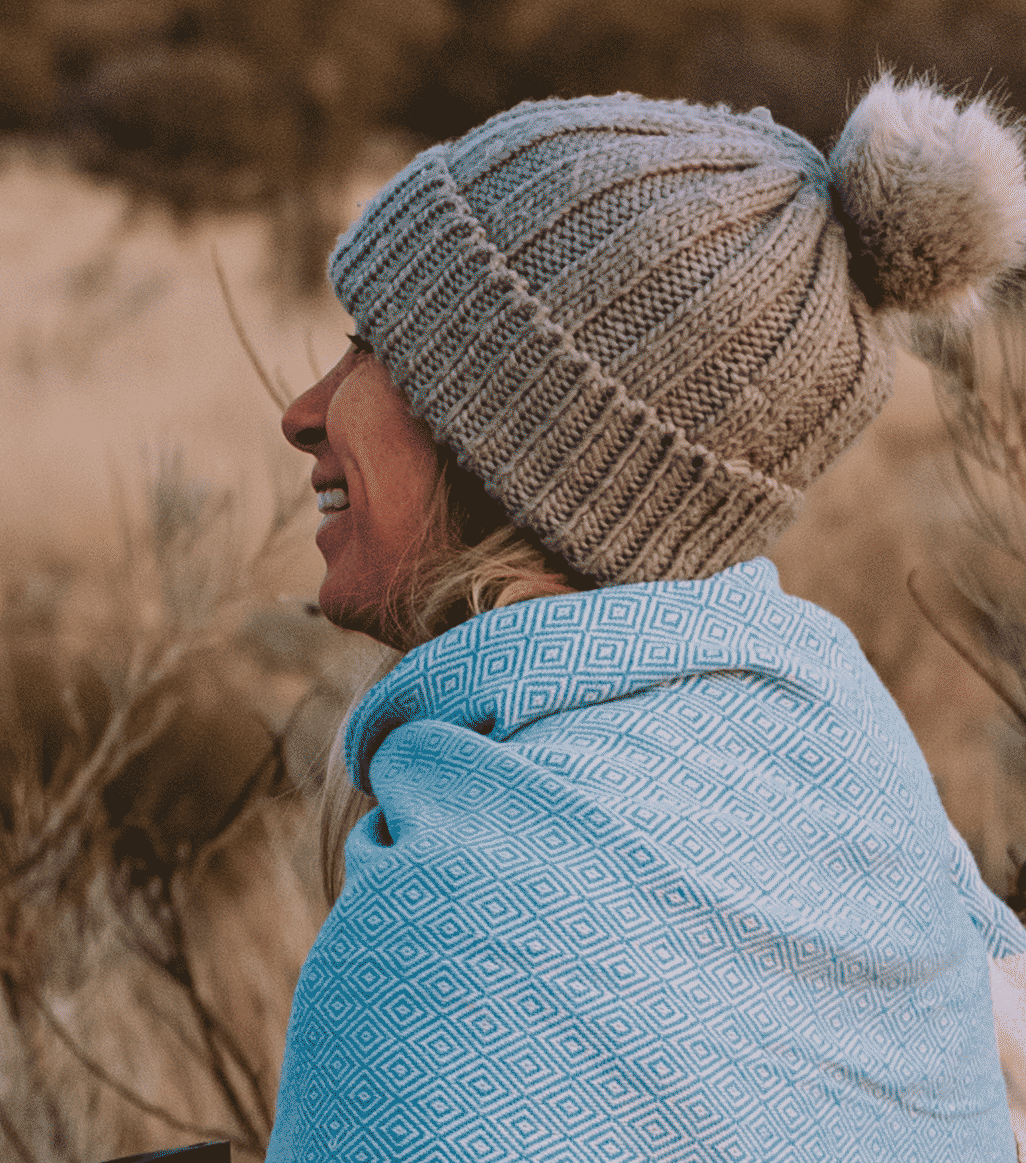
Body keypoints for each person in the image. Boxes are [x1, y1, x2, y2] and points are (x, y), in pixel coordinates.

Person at [263, 78, 1026, 1161]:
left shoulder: (462, 942)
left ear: (513, 435)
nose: (303, 411)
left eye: (368, 349)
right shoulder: (848, 781)